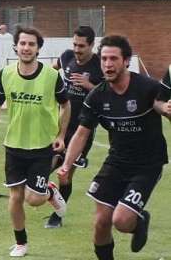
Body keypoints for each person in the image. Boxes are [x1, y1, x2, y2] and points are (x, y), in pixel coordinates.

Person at [58, 35, 169, 260]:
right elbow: (81, 133)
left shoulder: (147, 87)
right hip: (116, 162)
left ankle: (139, 221)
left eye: (113, 59)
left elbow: (162, 105)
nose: (108, 64)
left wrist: (166, 109)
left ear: (126, 61)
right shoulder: (97, 96)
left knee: (121, 220)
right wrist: (67, 165)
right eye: (104, 59)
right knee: (100, 223)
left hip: (147, 164)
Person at [0, 26, 70, 257]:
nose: (26, 48)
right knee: (15, 197)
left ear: (38, 48)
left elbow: (65, 104)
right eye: (22, 43)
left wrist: (61, 135)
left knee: (34, 199)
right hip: (14, 146)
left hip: (42, 146)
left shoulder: (52, 76)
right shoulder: (5, 74)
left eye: (31, 44)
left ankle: (49, 192)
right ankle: (21, 243)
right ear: (16, 46)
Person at [45, 26, 103, 228]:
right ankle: (50, 194)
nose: (77, 50)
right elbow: (51, 70)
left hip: (83, 130)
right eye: (75, 44)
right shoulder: (67, 56)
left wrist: (89, 86)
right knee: (44, 168)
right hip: (60, 126)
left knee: (65, 173)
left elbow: (108, 95)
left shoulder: (99, 65)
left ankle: (57, 216)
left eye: (82, 46)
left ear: (91, 45)